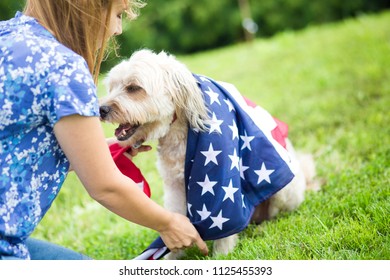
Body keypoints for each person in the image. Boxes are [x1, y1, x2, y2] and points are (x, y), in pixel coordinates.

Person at [0, 0, 208, 260]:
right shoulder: (63, 68)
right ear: (90, 8)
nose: (118, 29)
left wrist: (95, 153)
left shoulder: (6, 34)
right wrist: (169, 223)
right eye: (118, 15)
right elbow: (105, 186)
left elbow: (16, 147)